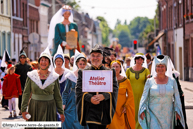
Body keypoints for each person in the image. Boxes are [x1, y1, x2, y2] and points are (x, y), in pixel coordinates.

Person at [76, 45, 118, 129]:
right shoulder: (83, 72)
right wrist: (90, 98)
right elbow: (79, 90)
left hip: (104, 109)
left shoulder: (109, 72)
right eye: (93, 56)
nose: (95, 58)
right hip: (90, 109)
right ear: (90, 57)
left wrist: (104, 96)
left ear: (102, 57)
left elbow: (115, 89)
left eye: (98, 56)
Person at [138, 55, 185, 129]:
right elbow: (144, 96)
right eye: (158, 66)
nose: (160, 68)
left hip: (168, 114)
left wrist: (177, 110)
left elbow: (177, 97)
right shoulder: (149, 81)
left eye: (162, 66)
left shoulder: (172, 81)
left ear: (166, 68)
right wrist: (142, 109)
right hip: (153, 113)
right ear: (155, 68)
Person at [21, 47, 65, 124]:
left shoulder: (54, 77)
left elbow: (57, 96)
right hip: (34, 107)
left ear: (49, 63)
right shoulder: (32, 75)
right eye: (42, 60)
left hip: (49, 107)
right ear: (39, 62)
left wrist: (61, 112)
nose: (43, 62)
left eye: (46, 60)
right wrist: (23, 109)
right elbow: (26, 93)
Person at [62, 50, 88, 129]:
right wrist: (64, 104)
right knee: (70, 120)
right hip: (72, 101)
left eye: (84, 64)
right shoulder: (71, 75)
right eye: (80, 64)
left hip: (84, 99)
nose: (82, 65)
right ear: (77, 64)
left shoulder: (89, 75)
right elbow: (65, 91)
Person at [107, 60, 135, 129]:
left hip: (121, 109)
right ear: (110, 68)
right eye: (113, 67)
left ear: (120, 68)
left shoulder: (126, 81)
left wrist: (126, 106)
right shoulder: (106, 79)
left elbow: (130, 95)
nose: (115, 68)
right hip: (110, 108)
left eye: (117, 67)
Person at [126, 53, 150, 129]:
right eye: (138, 59)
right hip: (131, 95)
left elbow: (148, 84)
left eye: (141, 59)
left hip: (142, 95)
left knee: (141, 112)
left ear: (143, 61)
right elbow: (125, 83)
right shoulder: (128, 70)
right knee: (132, 113)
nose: (139, 61)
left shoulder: (146, 70)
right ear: (135, 60)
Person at [15, 49, 32, 115]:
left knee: (26, 98)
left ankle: (24, 109)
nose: (22, 58)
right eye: (21, 57)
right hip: (19, 84)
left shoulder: (29, 67)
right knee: (21, 97)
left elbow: (31, 76)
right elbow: (14, 76)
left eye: (24, 57)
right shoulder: (17, 66)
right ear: (19, 58)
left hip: (27, 83)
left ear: (26, 58)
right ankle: (20, 110)